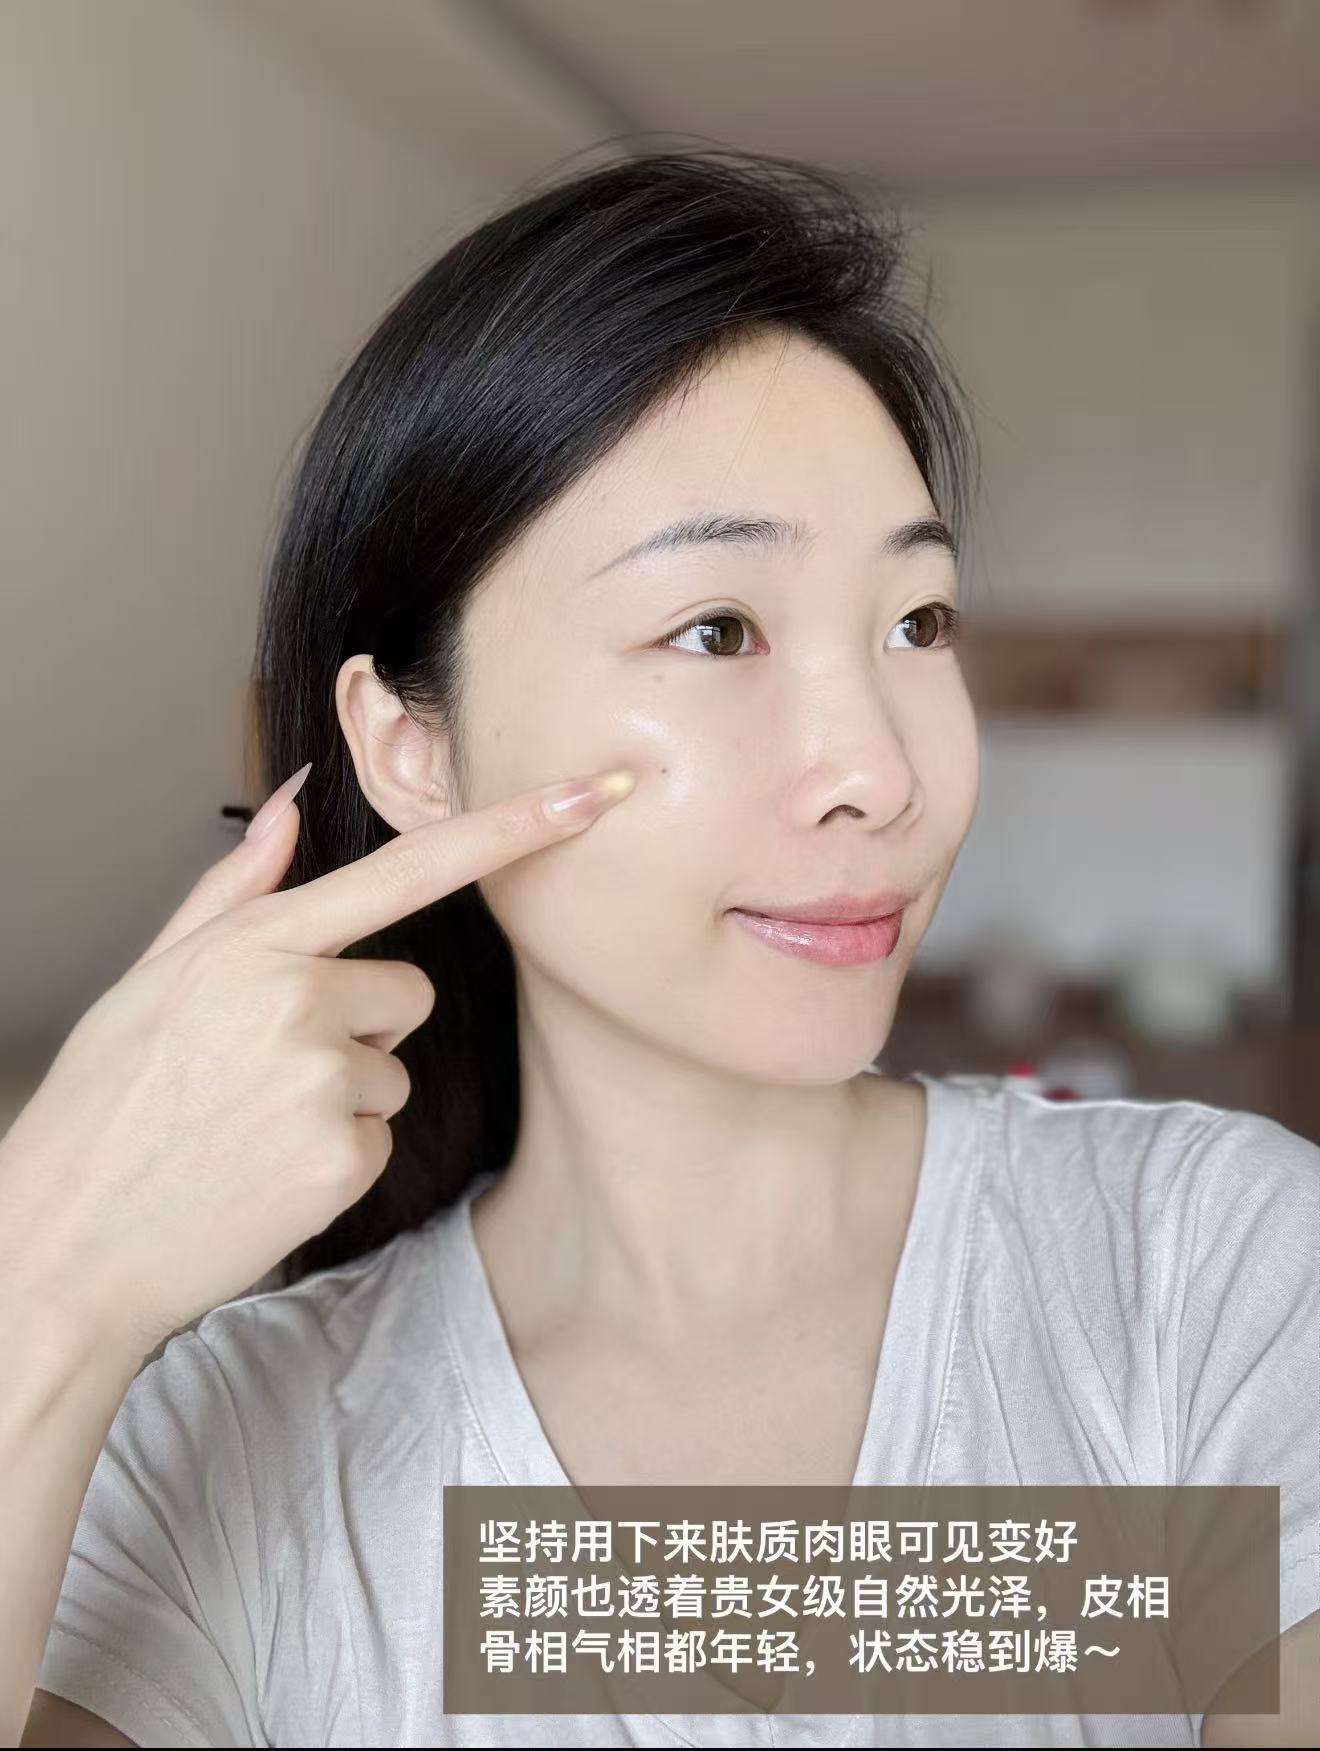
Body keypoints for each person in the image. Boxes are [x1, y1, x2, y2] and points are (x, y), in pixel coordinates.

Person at [2, 147, 1315, 1749]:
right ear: (414, 748)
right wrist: (41, 1289)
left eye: (918, 622)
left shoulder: (1210, 1273)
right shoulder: (219, 1454)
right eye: (716, 629)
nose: (880, 772)